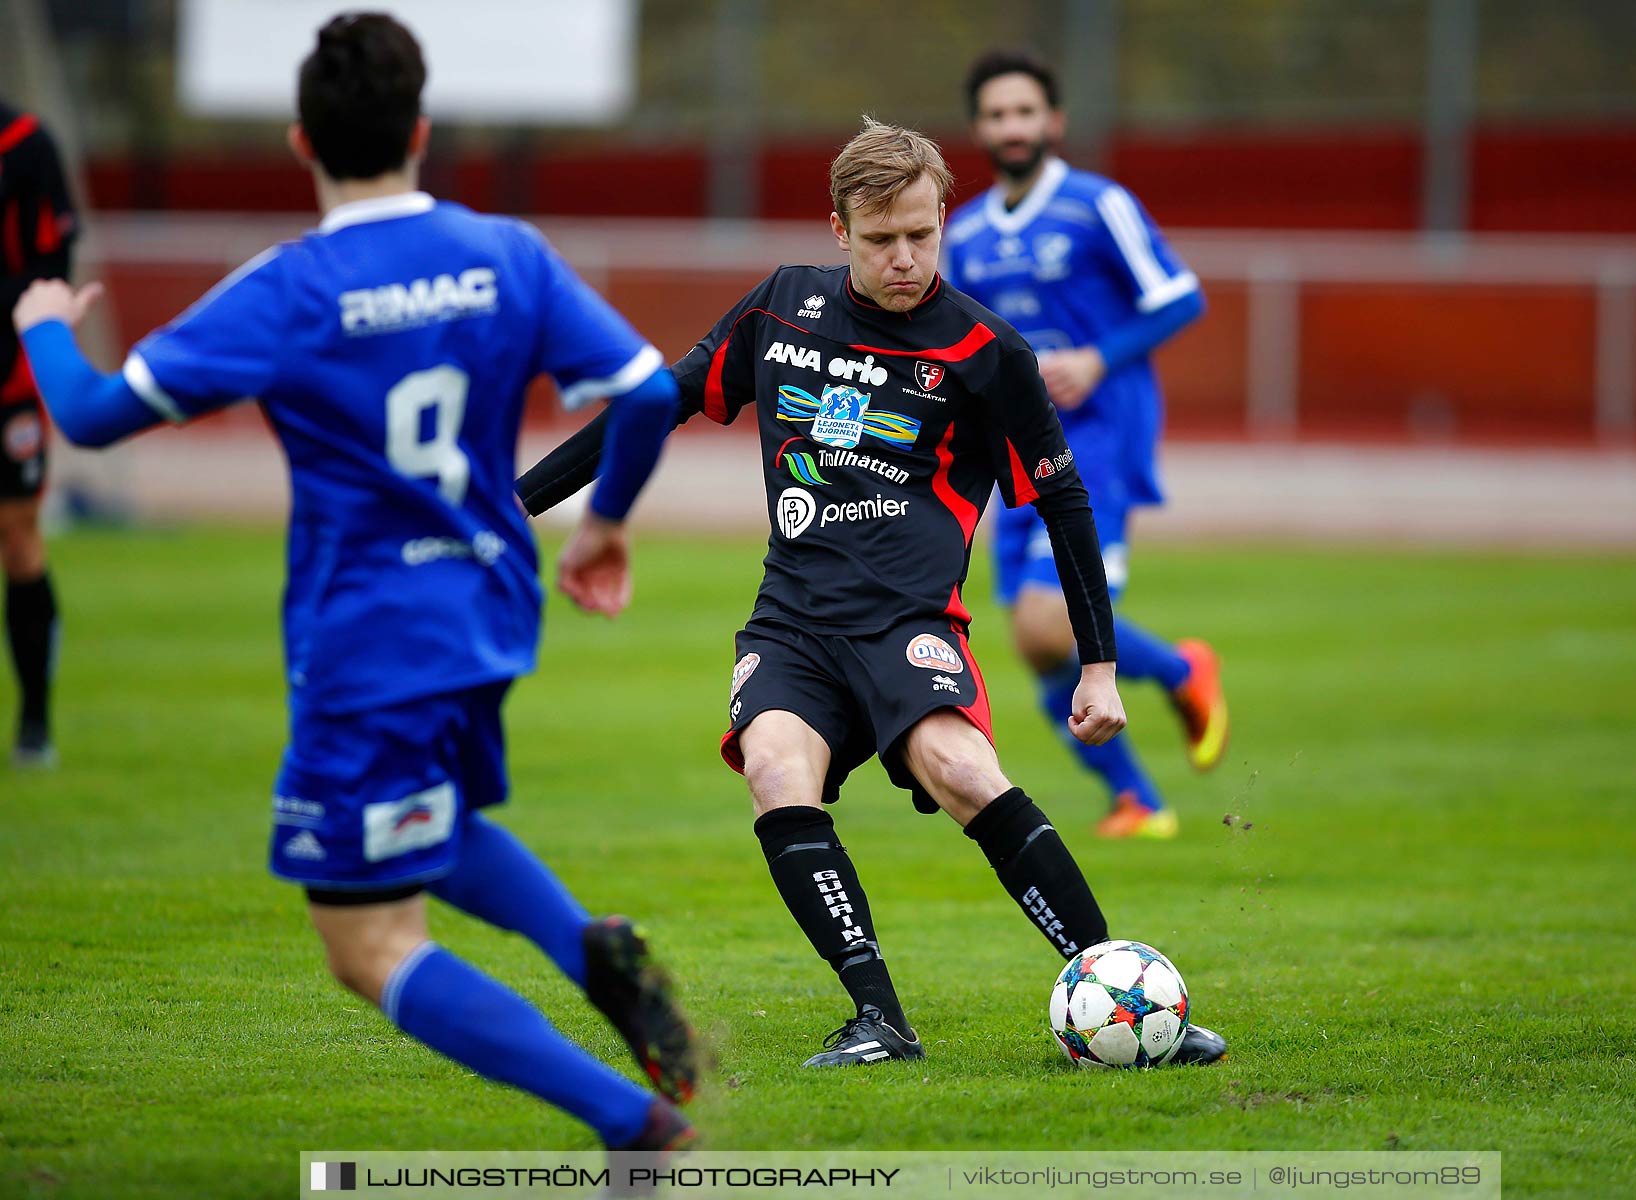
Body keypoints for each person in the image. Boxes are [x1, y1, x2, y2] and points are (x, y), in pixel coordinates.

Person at [12, 13, 697, 1151]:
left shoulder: (290, 287)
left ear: (300, 143)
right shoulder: (505, 253)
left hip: (369, 639)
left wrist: (38, 326)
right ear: (422, 130)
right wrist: (602, 527)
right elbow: (645, 393)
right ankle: (589, 949)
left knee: (368, 945)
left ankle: (635, 1128)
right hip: (488, 610)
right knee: (441, 814)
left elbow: (85, 412)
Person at [518, 118, 1227, 1070]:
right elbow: (657, 403)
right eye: (883, 238)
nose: (905, 259)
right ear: (839, 229)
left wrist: (1098, 664)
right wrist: (513, 506)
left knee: (964, 772)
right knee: (775, 768)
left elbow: (1062, 499)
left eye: (923, 236)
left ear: (943, 222)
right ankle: (879, 1019)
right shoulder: (779, 312)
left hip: (908, 624)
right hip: (794, 624)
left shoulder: (985, 351)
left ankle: (1123, 998)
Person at [941, 50, 1227, 840]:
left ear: (1054, 121)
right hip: (1014, 454)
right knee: (1039, 653)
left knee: (1044, 625)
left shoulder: (1100, 205)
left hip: (1099, 440)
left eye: (1025, 111)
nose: (1012, 127)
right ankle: (1139, 800)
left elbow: (1180, 299)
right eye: (996, 115)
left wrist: (1099, 358)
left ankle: (1179, 670)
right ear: (979, 129)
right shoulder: (961, 235)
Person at [0, 98, 77, 768]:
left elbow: (53, 262)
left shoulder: (25, 143)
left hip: (7, 379)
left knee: (18, 531)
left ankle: (34, 718)